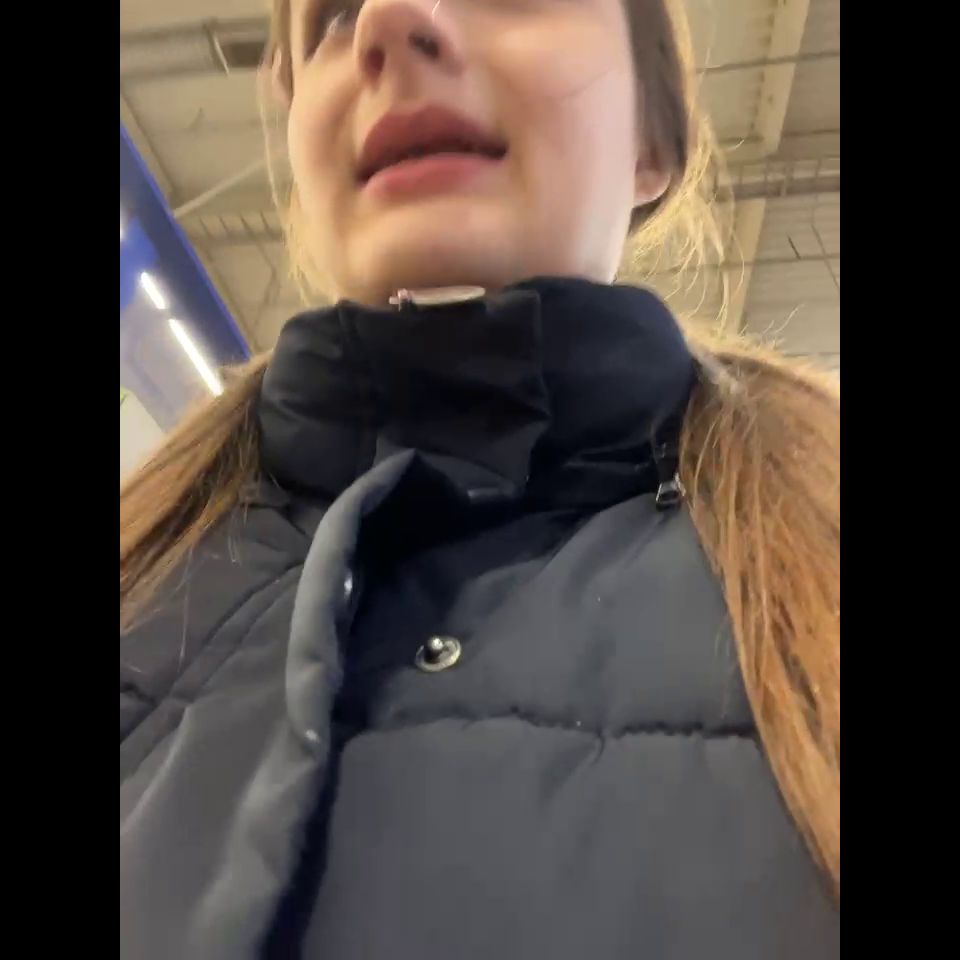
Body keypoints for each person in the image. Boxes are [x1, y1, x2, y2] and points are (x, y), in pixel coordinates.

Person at [120, 0, 840, 957]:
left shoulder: (819, 554)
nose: (385, 19)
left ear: (651, 144)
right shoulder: (143, 569)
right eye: (333, 14)